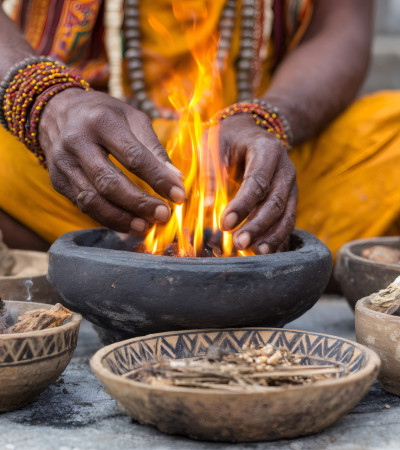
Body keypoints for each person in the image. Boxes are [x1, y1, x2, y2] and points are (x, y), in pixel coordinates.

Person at [0, 0, 399, 261]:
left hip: (250, 163)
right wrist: (43, 99)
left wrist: (268, 120)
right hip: (76, 148)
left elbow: (341, 27)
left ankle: (76, 258)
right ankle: (303, 260)